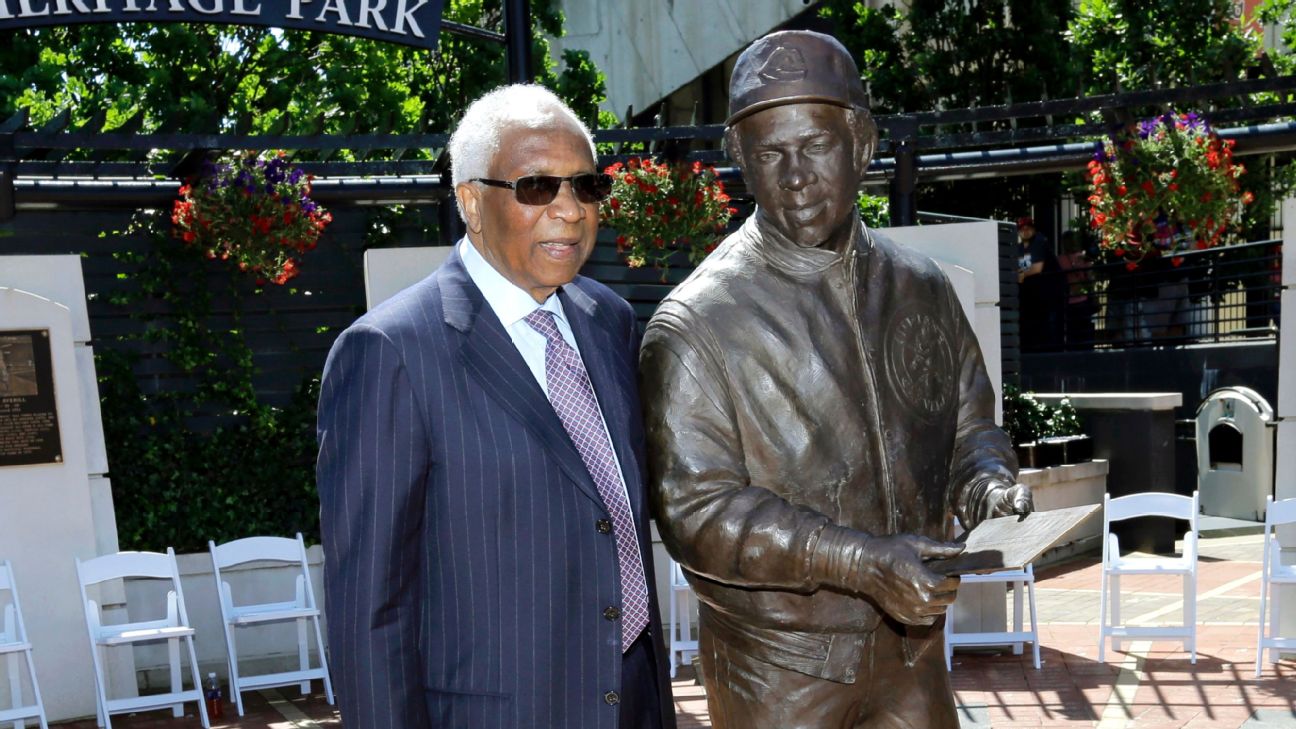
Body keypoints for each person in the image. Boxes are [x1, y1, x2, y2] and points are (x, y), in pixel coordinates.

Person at [639, 30, 1032, 729]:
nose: (795, 175)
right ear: (740, 161)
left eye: (815, 146)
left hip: (912, 657)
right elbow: (696, 509)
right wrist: (858, 561)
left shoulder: (924, 289)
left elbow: (971, 425)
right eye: (770, 153)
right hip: (778, 673)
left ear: (863, 144)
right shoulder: (697, 323)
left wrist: (987, 484)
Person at [317, 84, 676, 729]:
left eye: (585, 187)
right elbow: (370, 607)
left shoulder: (609, 320)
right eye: (538, 187)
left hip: (633, 701)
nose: (569, 211)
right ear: (470, 203)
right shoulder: (391, 351)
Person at [1016, 216, 1064, 351]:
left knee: (1046, 329)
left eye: (1028, 227)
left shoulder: (1039, 241)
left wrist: (1020, 275)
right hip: (1029, 297)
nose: (1025, 231)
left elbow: (1037, 268)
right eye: (1021, 228)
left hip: (1046, 295)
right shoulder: (1019, 247)